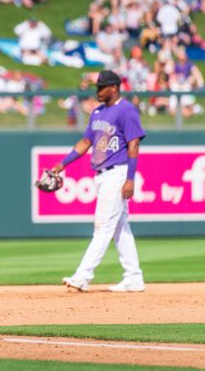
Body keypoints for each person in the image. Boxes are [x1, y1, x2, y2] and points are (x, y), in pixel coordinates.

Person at [50, 70, 146, 293]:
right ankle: (134, 277)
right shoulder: (97, 112)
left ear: (114, 87)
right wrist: (62, 164)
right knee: (120, 228)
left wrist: (130, 179)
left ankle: (82, 276)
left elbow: (134, 145)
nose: (98, 91)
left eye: (101, 87)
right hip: (102, 174)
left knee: (102, 227)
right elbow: (85, 142)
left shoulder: (126, 110)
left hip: (118, 173)